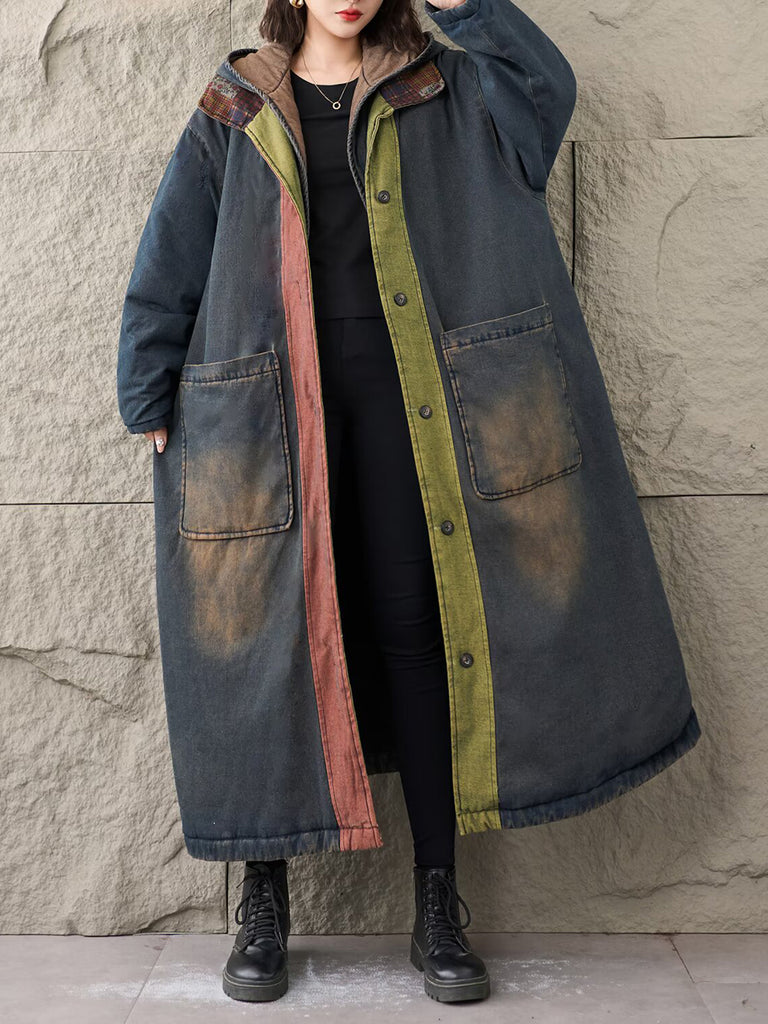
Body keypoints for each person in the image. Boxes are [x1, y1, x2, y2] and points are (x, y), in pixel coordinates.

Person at [116, 0, 700, 1008]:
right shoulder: (237, 102)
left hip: (413, 403)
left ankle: (438, 901)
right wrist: (148, 384)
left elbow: (546, 96)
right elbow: (174, 249)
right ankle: (263, 904)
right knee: (265, 640)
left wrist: (470, 6)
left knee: (417, 631)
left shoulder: (449, 85)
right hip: (266, 410)